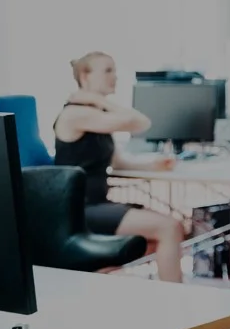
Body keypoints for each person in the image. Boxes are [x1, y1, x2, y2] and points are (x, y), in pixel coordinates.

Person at [53, 52, 186, 282]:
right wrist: (98, 100)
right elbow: (141, 122)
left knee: (153, 242)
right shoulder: (75, 113)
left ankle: (99, 279)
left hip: (97, 204)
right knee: (170, 228)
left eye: (114, 70)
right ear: (85, 76)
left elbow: (118, 163)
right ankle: (176, 307)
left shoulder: (95, 116)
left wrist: (154, 166)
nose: (115, 76)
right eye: (107, 71)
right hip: (79, 209)